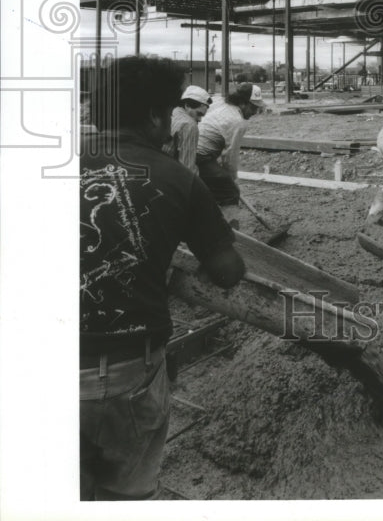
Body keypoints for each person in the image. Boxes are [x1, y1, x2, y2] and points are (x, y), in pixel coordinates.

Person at [80, 56, 245, 501]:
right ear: (155, 115)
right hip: (126, 370)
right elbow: (228, 273)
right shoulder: (177, 179)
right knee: (126, 494)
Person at [196, 82, 264, 224]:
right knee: (230, 193)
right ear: (242, 103)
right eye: (253, 107)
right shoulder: (238, 121)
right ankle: (230, 233)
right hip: (200, 157)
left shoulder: (222, 105)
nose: (255, 112)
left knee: (212, 189)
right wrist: (232, 180)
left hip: (194, 150)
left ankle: (211, 223)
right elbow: (230, 156)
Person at [162, 84, 212, 176]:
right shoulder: (189, 125)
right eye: (199, 114)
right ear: (187, 105)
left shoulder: (173, 112)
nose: (200, 120)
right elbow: (187, 167)